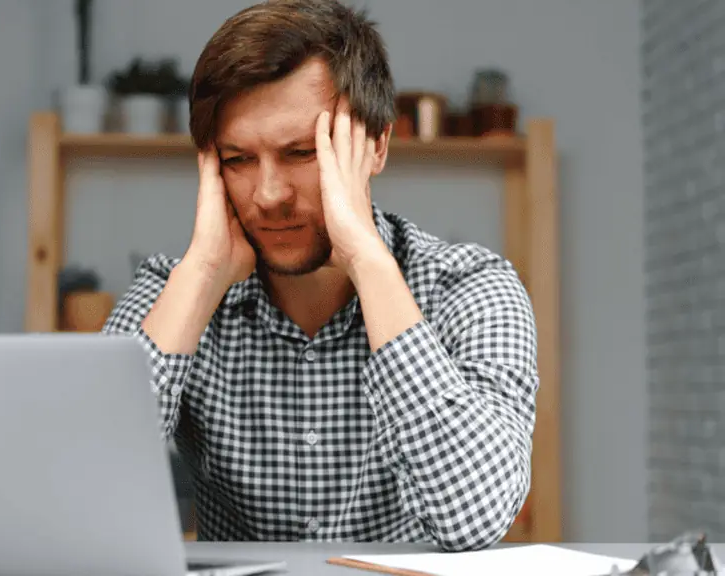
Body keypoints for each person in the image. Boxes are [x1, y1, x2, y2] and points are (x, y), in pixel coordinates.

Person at [102, 0, 538, 552]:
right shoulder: (174, 292)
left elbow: (474, 519)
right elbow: (78, 503)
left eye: (301, 152)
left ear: (376, 145)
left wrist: (366, 258)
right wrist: (205, 274)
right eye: (237, 160)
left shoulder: (473, 289)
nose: (268, 195)